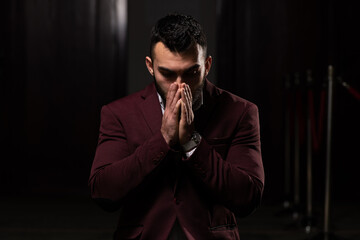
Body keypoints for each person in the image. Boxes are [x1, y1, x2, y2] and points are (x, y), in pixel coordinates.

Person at [89, 13, 264, 240]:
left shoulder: (241, 112)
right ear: (150, 67)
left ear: (207, 65)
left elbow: (248, 197)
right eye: (167, 73)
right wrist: (162, 140)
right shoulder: (118, 113)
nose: (180, 85)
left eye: (191, 72)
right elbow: (103, 191)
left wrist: (192, 142)